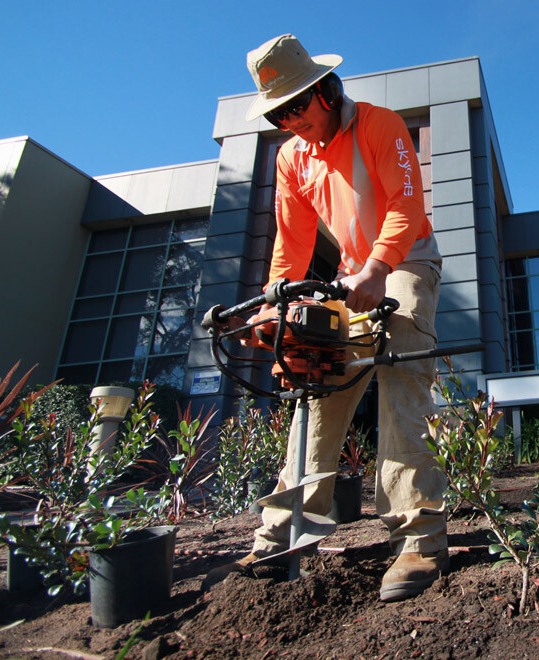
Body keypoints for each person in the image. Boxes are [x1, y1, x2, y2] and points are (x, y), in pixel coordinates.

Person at [204, 34, 447, 602]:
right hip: (348, 275)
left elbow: (407, 207)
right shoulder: (293, 158)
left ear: (325, 91)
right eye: (277, 113)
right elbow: (291, 245)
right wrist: (275, 301)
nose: (289, 121)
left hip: (406, 257)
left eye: (295, 106)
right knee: (318, 387)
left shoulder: (380, 125)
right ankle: (283, 533)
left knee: (400, 374)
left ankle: (417, 539)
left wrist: (377, 269)